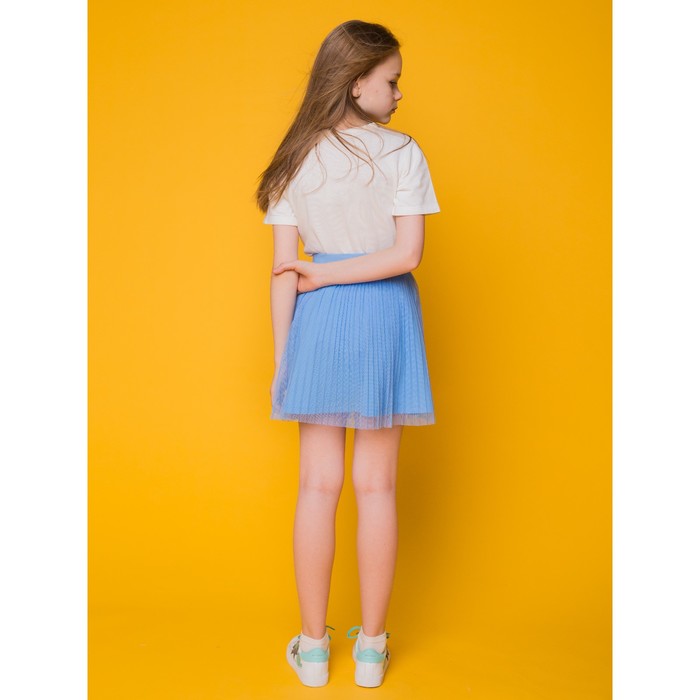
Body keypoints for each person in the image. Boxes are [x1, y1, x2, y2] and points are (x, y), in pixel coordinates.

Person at [255, 20, 440, 688]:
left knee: (317, 485)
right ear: (358, 82)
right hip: (385, 316)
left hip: (320, 321)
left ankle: (312, 651)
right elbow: (407, 255)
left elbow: (286, 272)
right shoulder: (403, 152)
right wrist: (328, 277)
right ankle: (371, 651)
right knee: (377, 487)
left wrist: (285, 359)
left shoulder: (295, 156)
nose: (399, 93)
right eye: (392, 80)